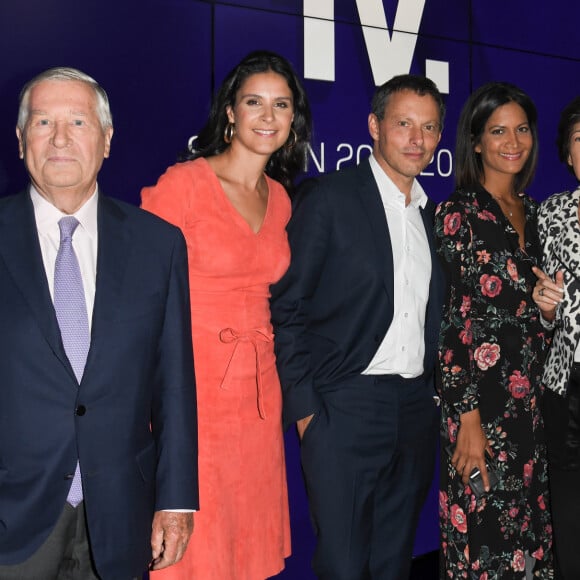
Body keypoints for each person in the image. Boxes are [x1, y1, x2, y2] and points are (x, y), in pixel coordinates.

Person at [0, 68, 198, 580]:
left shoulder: (159, 244)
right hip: (10, 514)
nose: (60, 138)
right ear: (21, 140)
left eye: (79, 122)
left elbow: (173, 383)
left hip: (121, 514)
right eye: (43, 122)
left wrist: (177, 500)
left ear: (107, 141)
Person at [141, 50, 312, 580]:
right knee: (192, 552)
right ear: (231, 113)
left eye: (280, 105)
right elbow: (138, 295)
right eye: (254, 102)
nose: (267, 116)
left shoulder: (281, 198)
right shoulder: (183, 185)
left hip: (260, 398)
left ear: (293, 119)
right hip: (191, 392)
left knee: (245, 549)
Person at [270, 74, 445, 580]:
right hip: (343, 408)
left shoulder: (431, 214)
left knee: (394, 563)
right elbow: (286, 307)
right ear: (374, 126)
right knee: (343, 565)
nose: (417, 139)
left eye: (429, 127)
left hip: (414, 411)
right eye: (404, 124)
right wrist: (307, 415)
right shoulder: (328, 198)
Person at [436, 82, 553, 578]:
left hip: (529, 415)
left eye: (522, 128)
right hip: (477, 414)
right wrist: (467, 421)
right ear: (477, 142)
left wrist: (548, 314)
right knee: (481, 547)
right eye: (498, 130)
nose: (513, 141)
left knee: (527, 548)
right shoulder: (457, 214)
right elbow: (448, 326)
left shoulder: (536, 214)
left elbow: (537, 327)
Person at [532, 95, 580, 579]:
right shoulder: (549, 214)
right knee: (569, 526)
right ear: (567, 153)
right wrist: (546, 313)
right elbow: (545, 316)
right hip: (566, 387)